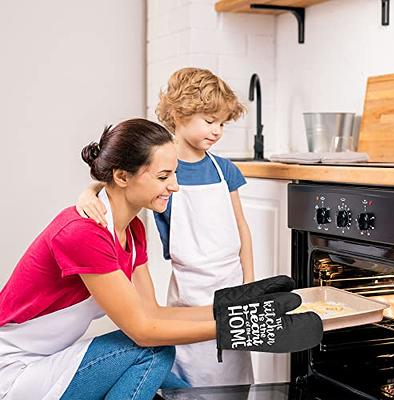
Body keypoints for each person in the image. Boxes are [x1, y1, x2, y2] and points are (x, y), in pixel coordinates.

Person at [75, 70, 323, 388]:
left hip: (231, 284)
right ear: (179, 114)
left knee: (234, 379)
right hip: (190, 294)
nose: (217, 130)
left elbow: (241, 228)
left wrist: (248, 284)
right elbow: (121, 176)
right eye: (210, 120)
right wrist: (89, 191)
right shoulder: (159, 167)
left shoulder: (224, 169)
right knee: (193, 380)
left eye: (222, 123)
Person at [0, 119, 225, 400]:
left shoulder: (133, 230)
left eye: (174, 174)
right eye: (163, 176)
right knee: (155, 351)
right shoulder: (84, 233)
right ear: (121, 177)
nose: (175, 186)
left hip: (52, 360)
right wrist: (235, 329)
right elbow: (144, 332)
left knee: (179, 392)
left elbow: (152, 313)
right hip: (14, 372)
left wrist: (233, 309)